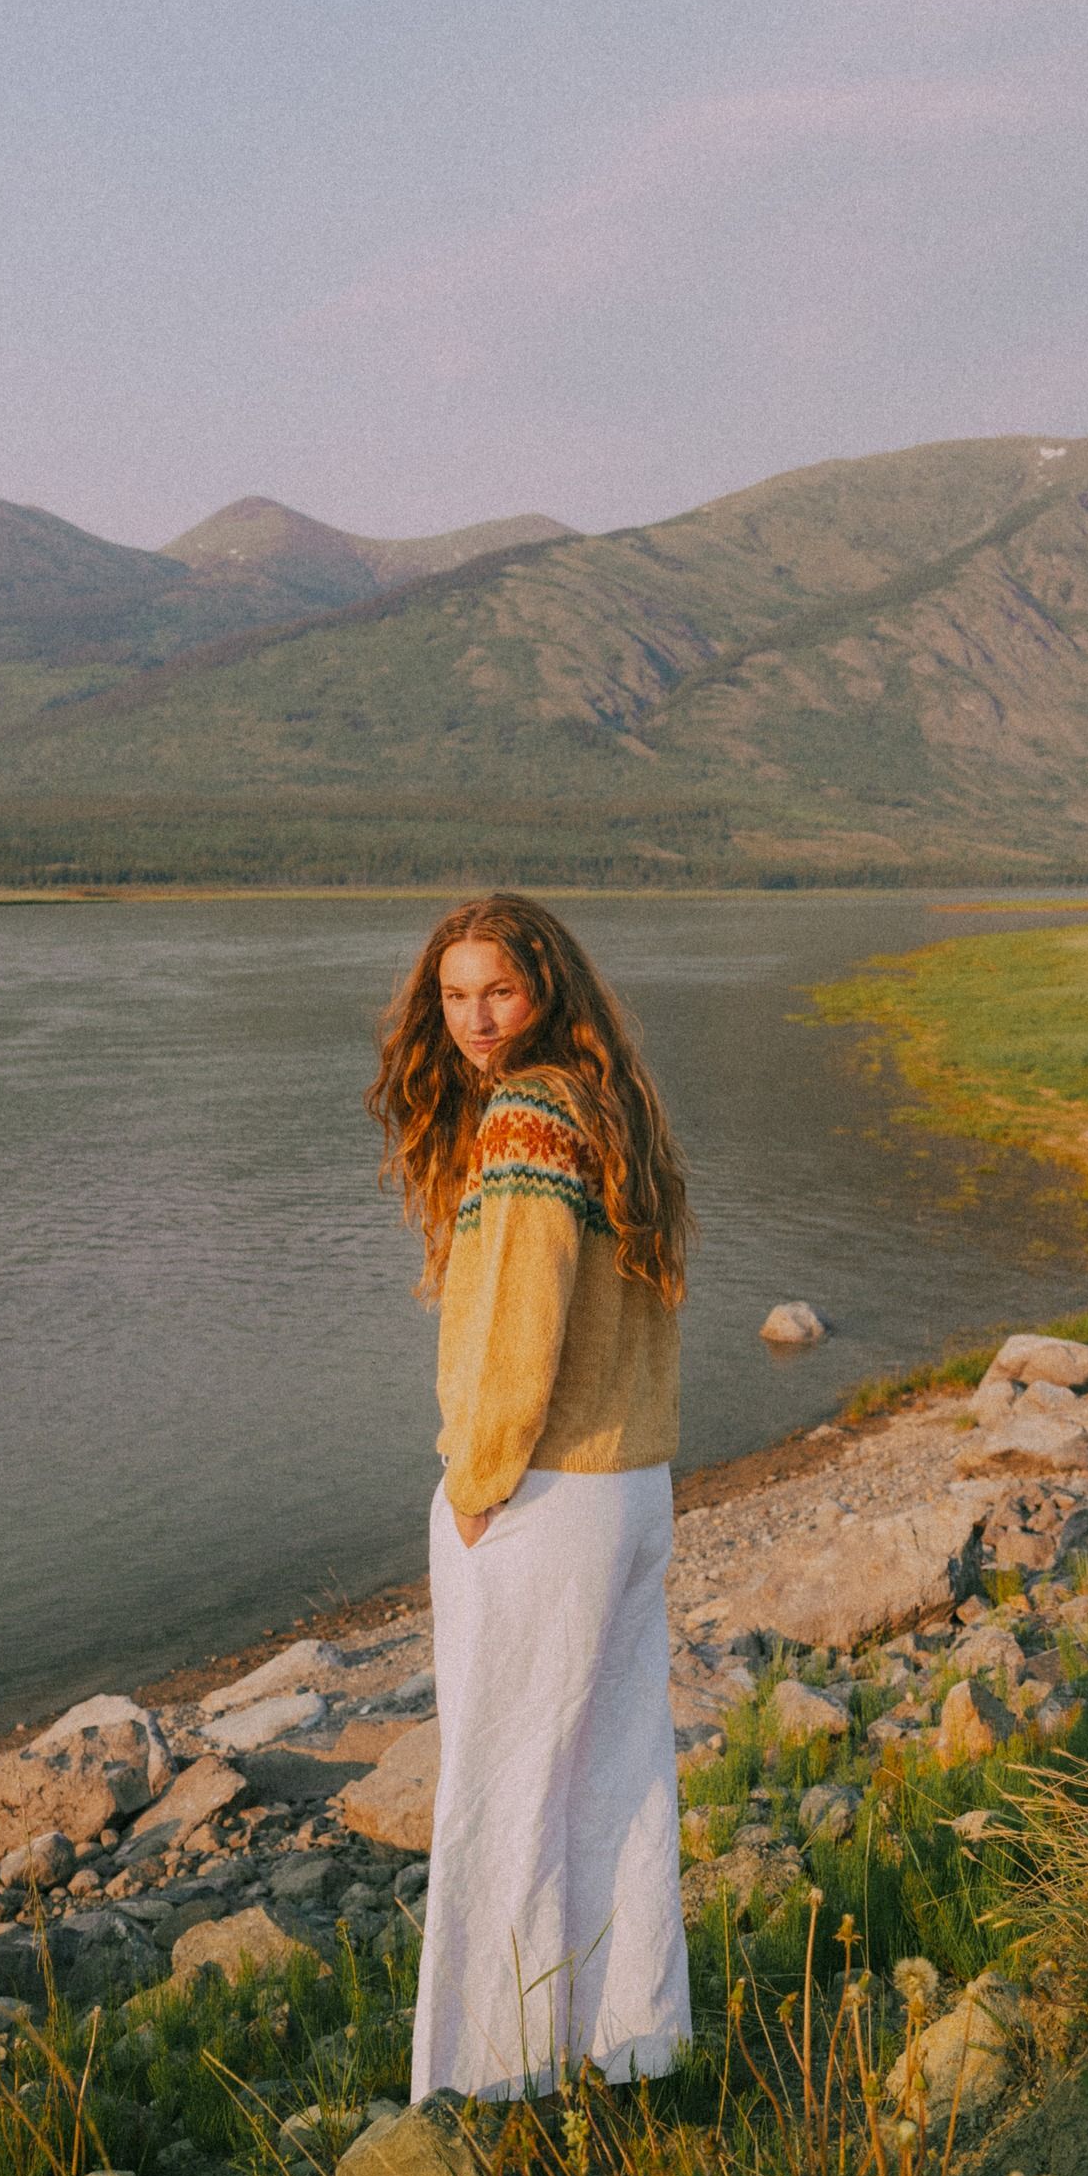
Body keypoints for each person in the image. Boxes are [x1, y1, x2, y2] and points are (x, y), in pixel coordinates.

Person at [366, 893, 694, 2101]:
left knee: (501, 1789)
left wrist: (475, 1476)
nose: (474, 1019)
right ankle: (633, 2047)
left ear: (544, 988)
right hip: (629, 1486)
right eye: (454, 996)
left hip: (544, 1493)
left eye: (496, 990)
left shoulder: (523, 1118)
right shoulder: (609, 1104)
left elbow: (519, 1318)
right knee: (617, 1777)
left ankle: (488, 2084)